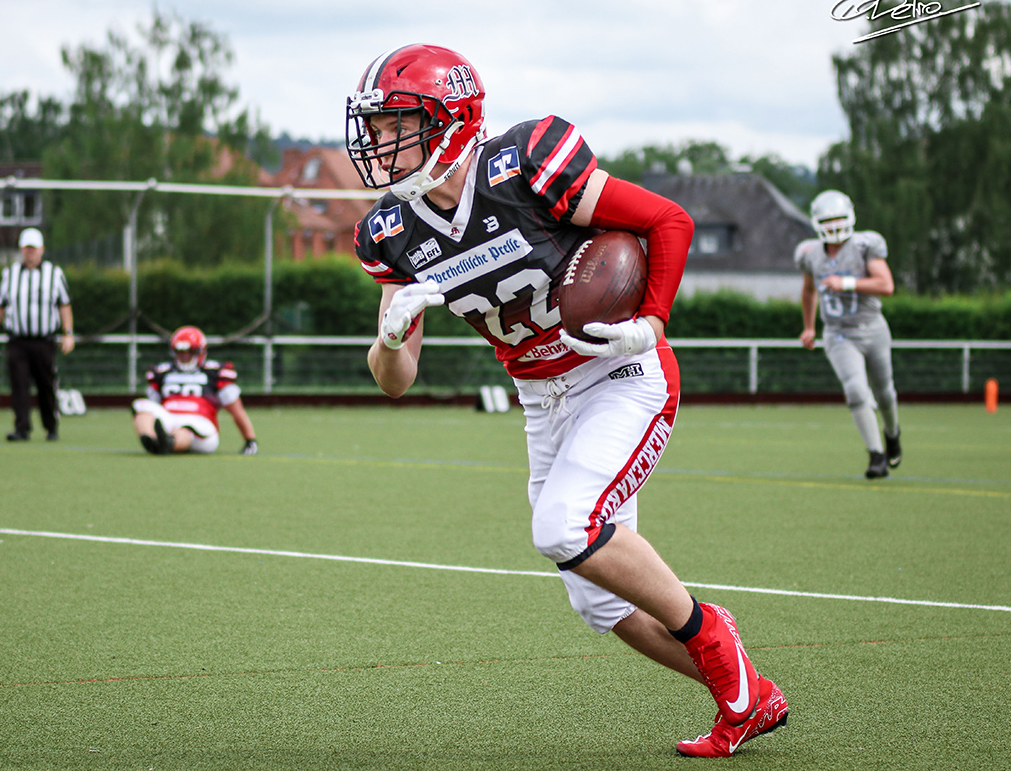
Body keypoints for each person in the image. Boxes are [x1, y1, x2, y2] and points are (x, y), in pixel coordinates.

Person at [347, 44, 787, 758]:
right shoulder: (393, 232)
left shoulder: (523, 164)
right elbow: (395, 379)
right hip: (540, 400)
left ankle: (716, 637)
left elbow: (668, 221)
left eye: (395, 124)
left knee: (562, 527)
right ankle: (748, 694)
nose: (378, 146)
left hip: (620, 377)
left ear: (451, 120)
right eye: (374, 129)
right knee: (603, 603)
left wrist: (651, 319)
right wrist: (390, 336)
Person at [796, 190, 901, 479]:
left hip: (873, 327)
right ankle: (876, 455)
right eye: (828, 220)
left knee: (885, 392)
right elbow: (808, 290)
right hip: (839, 332)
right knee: (855, 389)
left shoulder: (866, 245)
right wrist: (808, 326)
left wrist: (847, 282)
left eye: (839, 219)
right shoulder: (810, 254)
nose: (834, 225)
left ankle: (892, 433)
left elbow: (886, 285)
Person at [0, 227, 74, 442]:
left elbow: (64, 305)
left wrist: (68, 333)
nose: (30, 253)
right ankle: (22, 428)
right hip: (17, 340)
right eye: (27, 248)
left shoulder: (55, 274)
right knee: (19, 384)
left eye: (34, 249)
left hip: (44, 340)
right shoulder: (10, 274)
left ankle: (51, 426)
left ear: (42, 250)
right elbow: (1, 305)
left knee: (46, 385)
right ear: (21, 250)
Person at [131, 325, 259, 456]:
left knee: (187, 429)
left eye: (190, 351)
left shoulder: (216, 372)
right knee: (141, 405)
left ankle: (168, 443)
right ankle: (150, 439)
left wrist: (250, 439)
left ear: (200, 351)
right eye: (180, 351)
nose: (185, 355)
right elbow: (153, 405)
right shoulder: (162, 372)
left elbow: (236, 409)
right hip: (169, 418)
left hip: (200, 421)